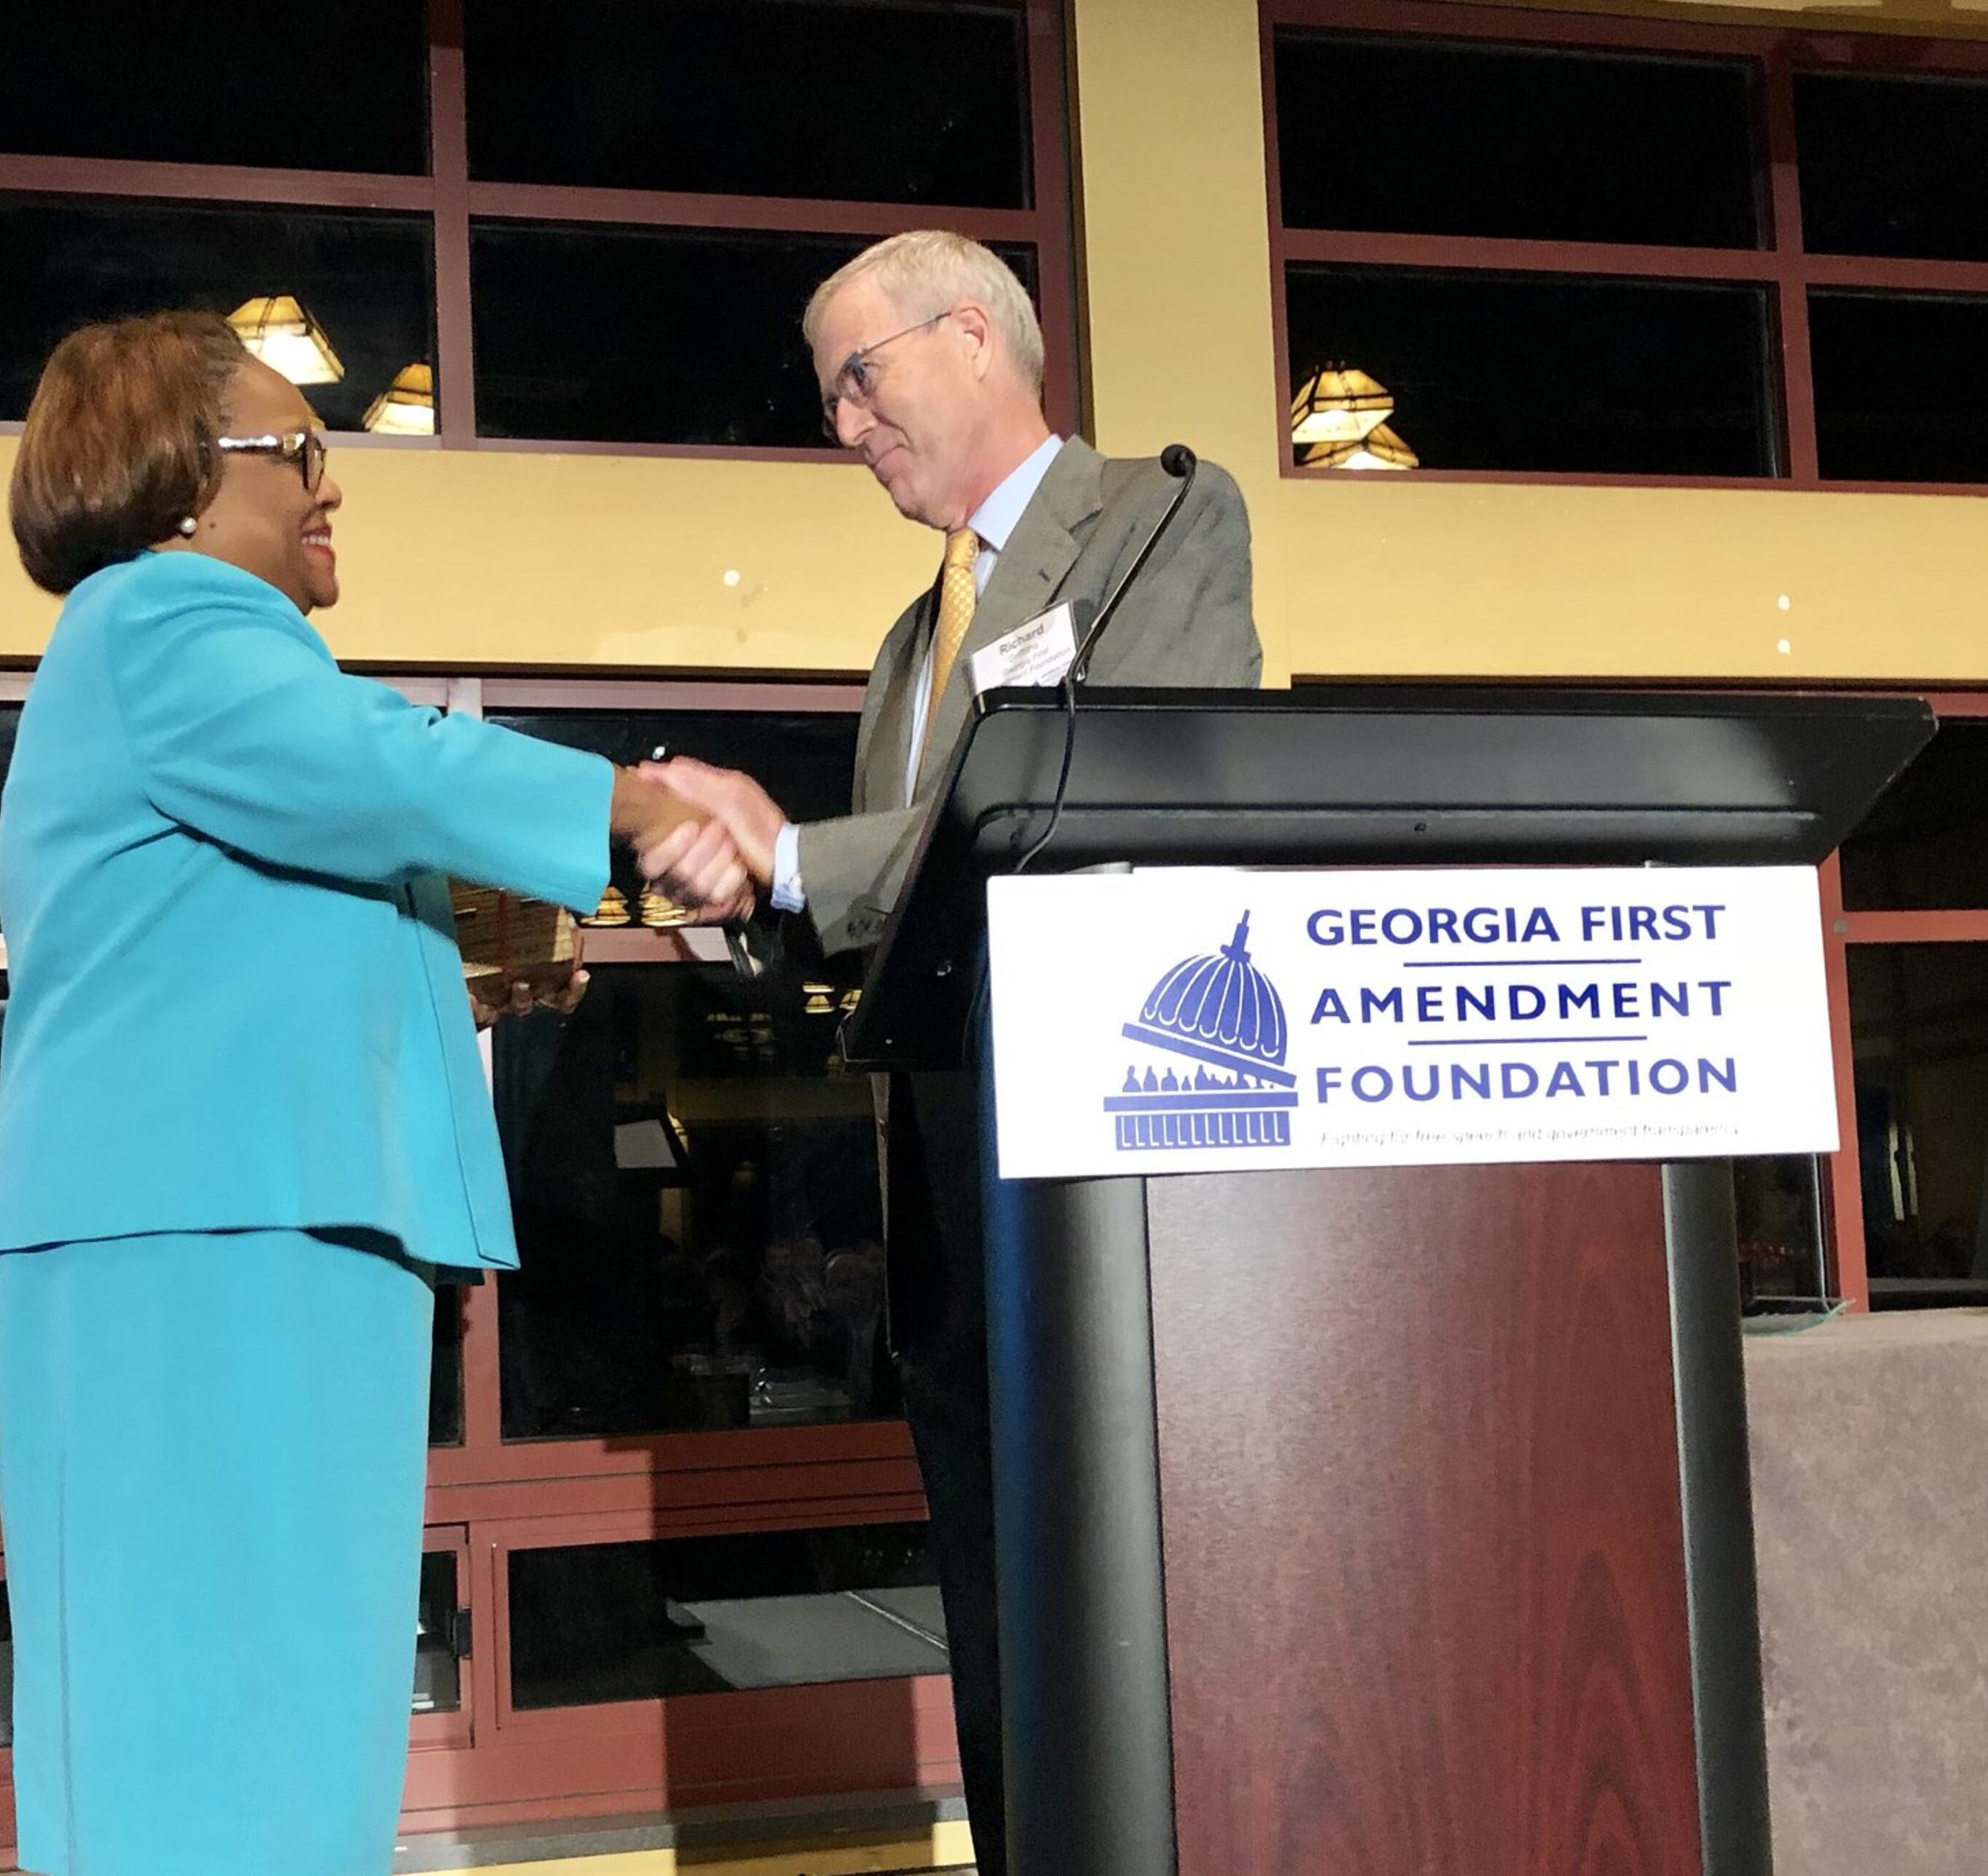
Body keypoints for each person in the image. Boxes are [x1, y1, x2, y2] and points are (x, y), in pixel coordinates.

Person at [0, 310, 739, 1876]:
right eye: (299, 452)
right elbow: (380, 764)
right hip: (203, 1237)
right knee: (214, 1716)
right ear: (185, 478)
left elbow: (230, 929)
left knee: (272, 1708)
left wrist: (456, 978)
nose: (333, 487)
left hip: (233, 1228)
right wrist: (637, 802)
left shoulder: (171, 664)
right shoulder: (164, 618)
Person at [639, 230, 1261, 1875]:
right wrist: (731, 899)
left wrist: (791, 854)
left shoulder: (1159, 520)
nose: (843, 426)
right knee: (997, 1638)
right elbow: (900, 907)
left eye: (861, 376)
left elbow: (1117, 800)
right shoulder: (910, 649)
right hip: (946, 1212)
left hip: (1106, 1198)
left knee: (1133, 1638)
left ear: (973, 336)